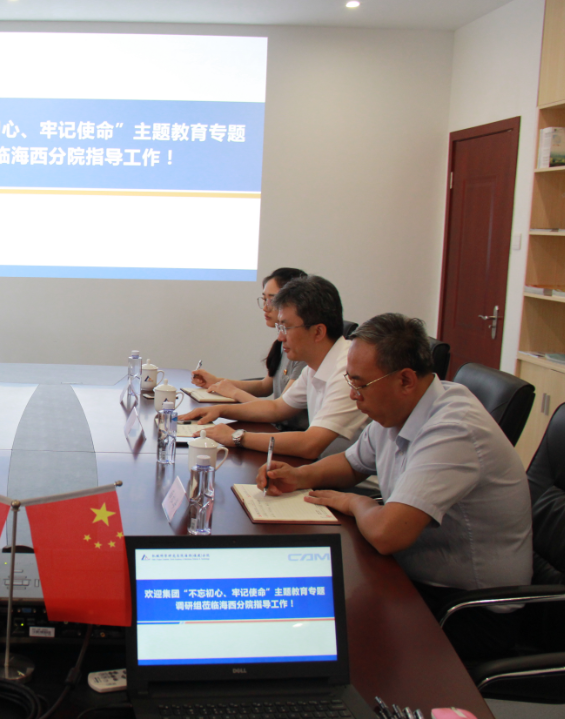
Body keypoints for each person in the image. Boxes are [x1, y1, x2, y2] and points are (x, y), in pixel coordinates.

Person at [257, 313, 532, 662]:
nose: (353, 394)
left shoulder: (453, 428)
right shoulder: (401, 407)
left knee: (327, 636)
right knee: (309, 601)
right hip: (414, 576)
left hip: (469, 610)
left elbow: (387, 534)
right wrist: (300, 476)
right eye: (350, 381)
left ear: (405, 380)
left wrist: (356, 503)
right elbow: (353, 463)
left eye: (360, 384)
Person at [181, 275, 368, 459]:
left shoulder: (347, 372)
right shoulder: (314, 366)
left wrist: (236, 437)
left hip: (350, 479)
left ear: (318, 331)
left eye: (286, 328)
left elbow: (310, 445)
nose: (280, 337)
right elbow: (276, 408)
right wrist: (220, 410)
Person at [190, 267, 309, 431]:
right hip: (276, 428)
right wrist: (217, 382)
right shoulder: (284, 341)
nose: (265, 307)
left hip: (289, 433)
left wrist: (234, 392)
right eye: (264, 299)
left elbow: (277, 411)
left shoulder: (303, 351)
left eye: (272, 300)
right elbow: (265, 386)